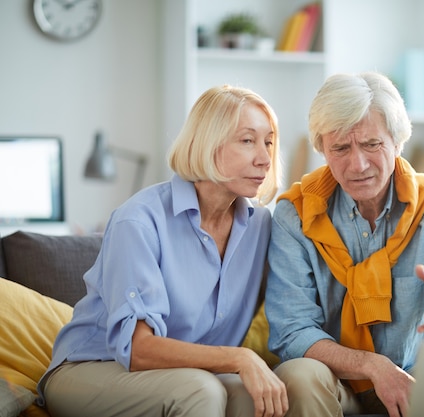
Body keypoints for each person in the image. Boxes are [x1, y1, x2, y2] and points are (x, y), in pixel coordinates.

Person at [37, 85, 289, 417]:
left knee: (262, 396)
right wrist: (239, 358)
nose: (264, 158)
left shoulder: (260, 226)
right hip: (91, 369)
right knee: (202, 391)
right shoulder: (139, 220)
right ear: (207, 145)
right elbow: (139, 349)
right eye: (247, 140)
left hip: (188, 376)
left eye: (268, 142)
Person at [265, 71, 424, 417]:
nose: (358, 165)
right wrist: (372, 366)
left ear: (397, 142)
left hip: (420, 382)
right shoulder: (294, 216)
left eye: (372, 144)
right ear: (322, 148)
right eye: (340, 148)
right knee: (299, 374)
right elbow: (291, 333)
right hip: (337, 382)